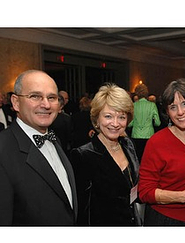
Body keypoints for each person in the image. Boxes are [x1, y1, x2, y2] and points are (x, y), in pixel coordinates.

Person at [0, 70, 77, 225]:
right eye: (35, 96)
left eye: (52, 98)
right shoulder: (3, 149)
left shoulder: (55, 140)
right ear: (15, 102)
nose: (46, 105)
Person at [138, 78, 185, 226]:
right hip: (167, 221)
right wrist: (183, 196)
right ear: (167, 111)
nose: (180, 112)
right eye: (173, 107)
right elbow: (145, 192)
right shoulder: (156, 142)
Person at [70, 83, 142, 226]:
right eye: (108, 116)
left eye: (121, 117)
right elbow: (81, 210)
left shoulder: (128, 145)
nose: (115, 124)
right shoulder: (83, 155)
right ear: (97, 119)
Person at [128, 83, 161, 162]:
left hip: (135, 135)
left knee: (137, 159)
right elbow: (158, 123)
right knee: (148, 159)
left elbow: (129, 124)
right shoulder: (152, 105)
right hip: (149, 135)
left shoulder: (133, 105)